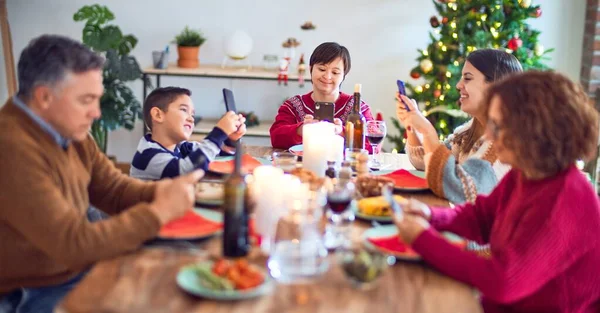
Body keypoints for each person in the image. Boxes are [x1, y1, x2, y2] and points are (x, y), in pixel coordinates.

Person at [0, 35, 202, 312]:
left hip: (73, 269)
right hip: (26, 293)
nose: (96, 113)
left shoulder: (70, 131)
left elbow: (114, 190)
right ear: (44, 97)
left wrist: (161, 192)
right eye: (86, 100)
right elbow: (73, 244)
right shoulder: (11, 147)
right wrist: (158, 212)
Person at [394, 71, 600, 312]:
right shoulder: (528, 172)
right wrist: (430, 215)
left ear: (534, 132)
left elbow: (503, 281)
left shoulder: (565, 199)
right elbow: (481, 218)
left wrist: (422, 239)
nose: (489, 135)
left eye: (498, 126)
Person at [397, 49, 522, 204]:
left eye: (467, 78)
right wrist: (412, 127)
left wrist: (427, 131)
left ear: (495, 87)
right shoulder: (469, 131)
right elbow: (427, 163)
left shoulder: (507, 142)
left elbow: (464, 191)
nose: (458, 85)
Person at [269, 42, 375, 151]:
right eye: (322, 69)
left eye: (335, 72)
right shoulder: (292, 105)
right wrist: (301, 129)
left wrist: (342, 132)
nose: (327, 76)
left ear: (344, 75)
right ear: (311, 69)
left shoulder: (358, 108)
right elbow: (276, 138)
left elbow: (373, 146)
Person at [130, 86, 246, 180]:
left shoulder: (181, 147)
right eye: (184, 110)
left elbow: (217, 155)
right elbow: (187, 172)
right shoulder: (148, 156)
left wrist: (231, 139)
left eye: (193, 115)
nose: (191, 119)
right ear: (158, 115)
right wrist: (220, 132)